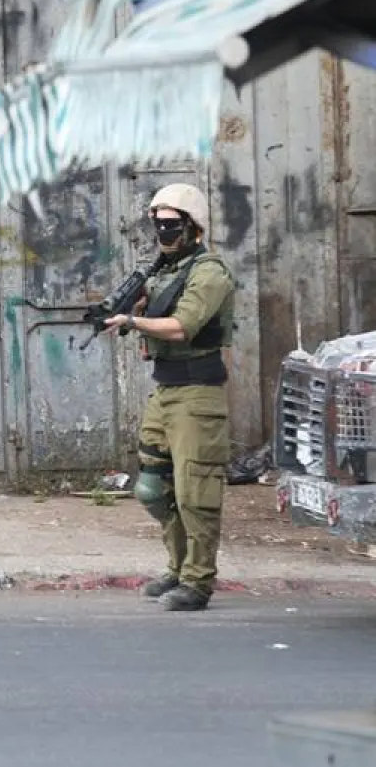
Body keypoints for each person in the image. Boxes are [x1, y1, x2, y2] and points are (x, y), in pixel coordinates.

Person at [104, 183, 236, 611]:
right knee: (151, 488)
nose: (162, 231)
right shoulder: (162, 271)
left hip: (198, 394)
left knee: (195, 491)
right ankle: (178, 568)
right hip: (166, 390)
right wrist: (135, 310)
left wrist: (133, 321)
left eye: (170, 224)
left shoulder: (209, 272)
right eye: (157, 223)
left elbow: (183, 327)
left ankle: (198, 582)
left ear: (192, 227)